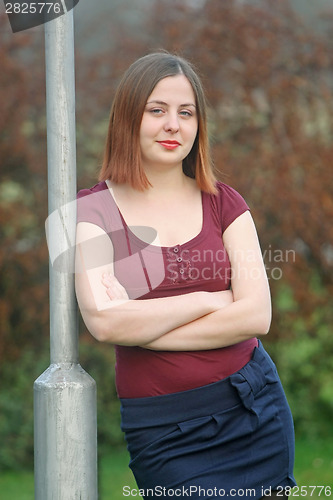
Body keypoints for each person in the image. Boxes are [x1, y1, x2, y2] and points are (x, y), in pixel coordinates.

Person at [75, 51, 296, 499]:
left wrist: (143, 323)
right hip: (163, 430)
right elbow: (104, 322)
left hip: (252, 405)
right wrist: (210, 300)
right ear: (128, 118)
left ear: (199, 125)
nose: (173, 125)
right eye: (157, 110)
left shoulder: (225, 203)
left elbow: (256, 317)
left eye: (186, 112)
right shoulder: (93, 212)